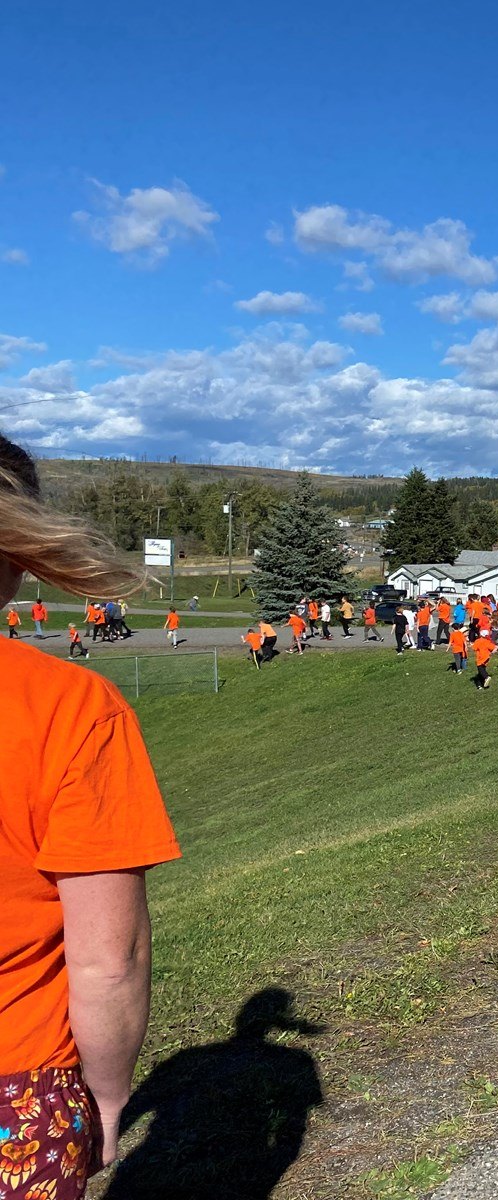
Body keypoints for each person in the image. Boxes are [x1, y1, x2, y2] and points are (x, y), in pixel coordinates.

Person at [0, 433, 182, 1195]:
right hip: (18, 1086)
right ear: (20, 555)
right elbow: (110, 960)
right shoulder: (70, 708)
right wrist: (107, 1095)